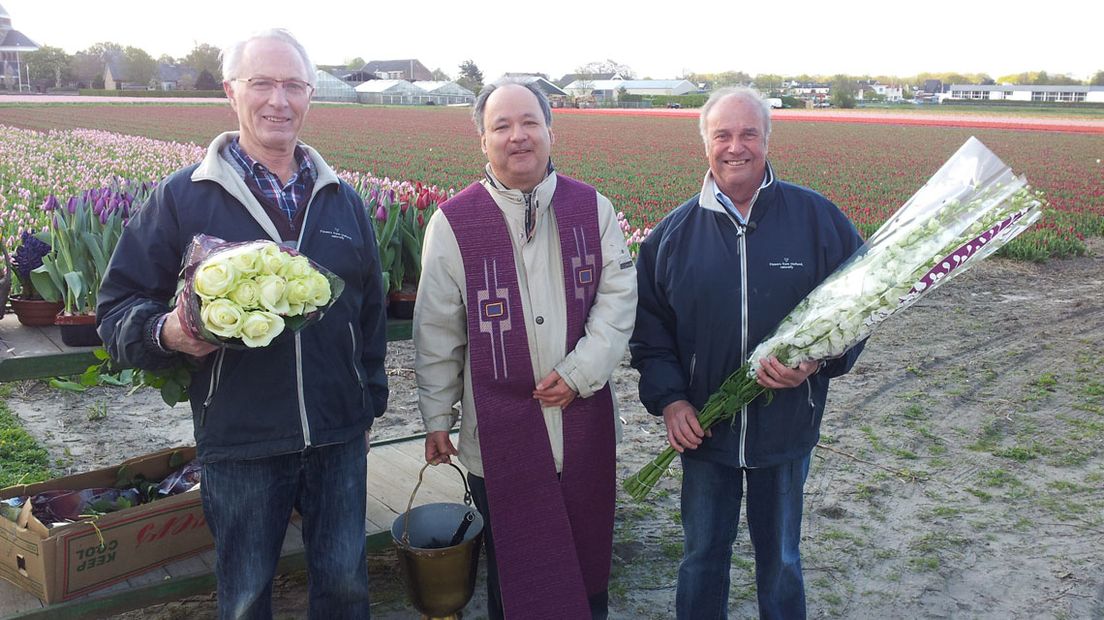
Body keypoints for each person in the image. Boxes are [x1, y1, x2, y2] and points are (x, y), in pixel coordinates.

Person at [96, 28, 387, 619]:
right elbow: (115, 309)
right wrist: (169, 335)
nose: (278, 101)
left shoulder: (343, 201)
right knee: (247, 597)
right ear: (232, 91)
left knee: (346, 590)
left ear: (310, 96)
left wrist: (367, 400)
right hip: (241, 441)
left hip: (337, 437)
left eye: (293, 86)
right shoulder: (184, 197)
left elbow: (371, 311)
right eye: (262, 83)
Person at [630, 87, 865, 619]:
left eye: (748, 134)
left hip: (785, 430)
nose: (736, 147)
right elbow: (650, 337)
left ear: (767, 139)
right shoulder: (670, 237)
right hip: (704, 434)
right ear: (705, 145)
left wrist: (818, 361)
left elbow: (858, 310)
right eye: (723, 135)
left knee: (780, 559)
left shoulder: (817, 220)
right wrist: (671, 402)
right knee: (701, 557)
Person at [414, 78, 637, 619]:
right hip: (497, 436)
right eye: (502, 126)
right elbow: (437, 329)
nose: (518, 136)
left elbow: (618, 300)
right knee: (516, 573)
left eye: (530, 122)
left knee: (583, 567)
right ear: (483, 141)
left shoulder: (593, 208)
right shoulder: (454, 223)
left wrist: (581, 372)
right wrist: (437, 416)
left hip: (581, 423)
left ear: (550, 131)